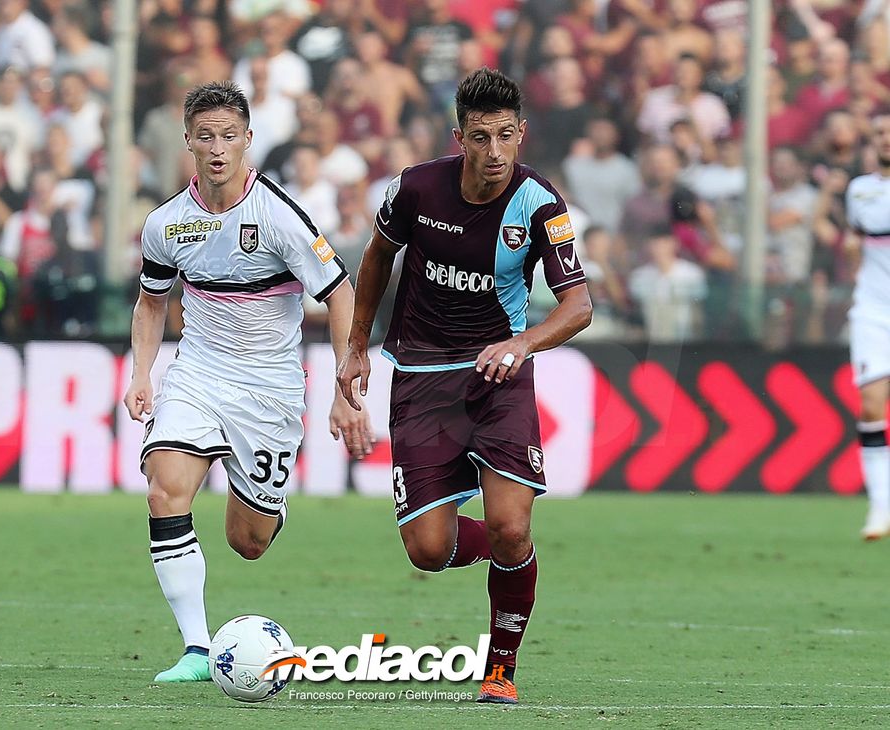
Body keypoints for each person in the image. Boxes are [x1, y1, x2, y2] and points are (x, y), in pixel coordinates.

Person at [336, 68, 592, 705]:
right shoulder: (415, 189)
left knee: (510, 525)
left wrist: (522, 342)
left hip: (495, 379)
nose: (496, 152)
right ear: (460, 138)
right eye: (482, 138)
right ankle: (506, 550)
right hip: (421, 384)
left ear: (521, 133)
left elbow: (578, 305)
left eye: (507, 135)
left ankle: (500, 667)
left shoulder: (540, 202)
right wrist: (355, 346)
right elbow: (375, 259)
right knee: (428, 550)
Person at [122, 80, 373, 684]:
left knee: (249, 541)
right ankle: (196, 649)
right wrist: (142, 374)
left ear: (248, 140)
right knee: (165, 488)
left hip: (268, 392)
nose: (217, 148)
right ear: (188, 142)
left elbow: (340, 293)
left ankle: (268, 505)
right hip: (199, 374)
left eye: (228, 136)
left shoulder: (278, 216)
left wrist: (344, 389)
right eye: (205, 136)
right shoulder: (166, 224)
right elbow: (152, 302)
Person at [845, 112, 890, 540]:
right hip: (874, 311)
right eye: (880, 132)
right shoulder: (860, 190)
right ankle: (880, 507)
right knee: (872, 405)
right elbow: (861, 237)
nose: (887, 138)